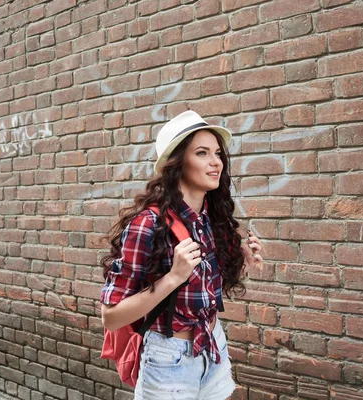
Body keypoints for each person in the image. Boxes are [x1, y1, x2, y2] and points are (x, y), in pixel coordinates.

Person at [99, 110, 263, 399]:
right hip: (168, 360)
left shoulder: (212, 218)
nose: (216, 163)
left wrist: (243, 262)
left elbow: (203, 291)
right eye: (202, 153)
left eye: (218, 153)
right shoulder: (147, 224)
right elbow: (110, 317)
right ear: (177, 162)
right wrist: (174, 276)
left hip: (213, 346)